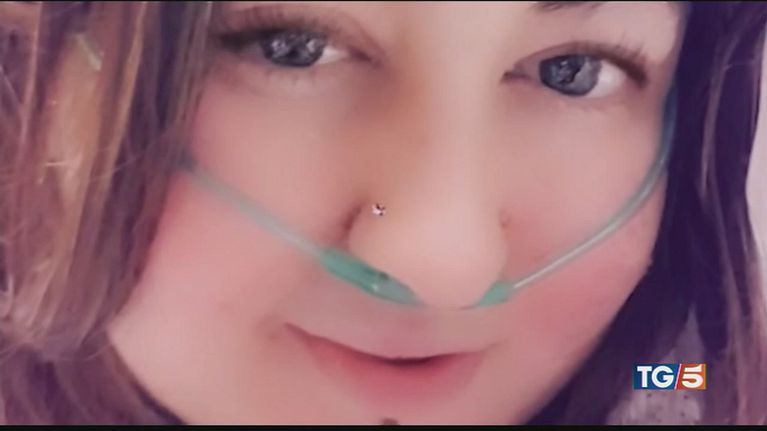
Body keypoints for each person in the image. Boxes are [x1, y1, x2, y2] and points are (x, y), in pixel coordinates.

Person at [0, 1, 765, 425]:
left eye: (572, 71)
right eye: (290, 47)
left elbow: (683, 376)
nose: (443, 264)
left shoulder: (666, 372)